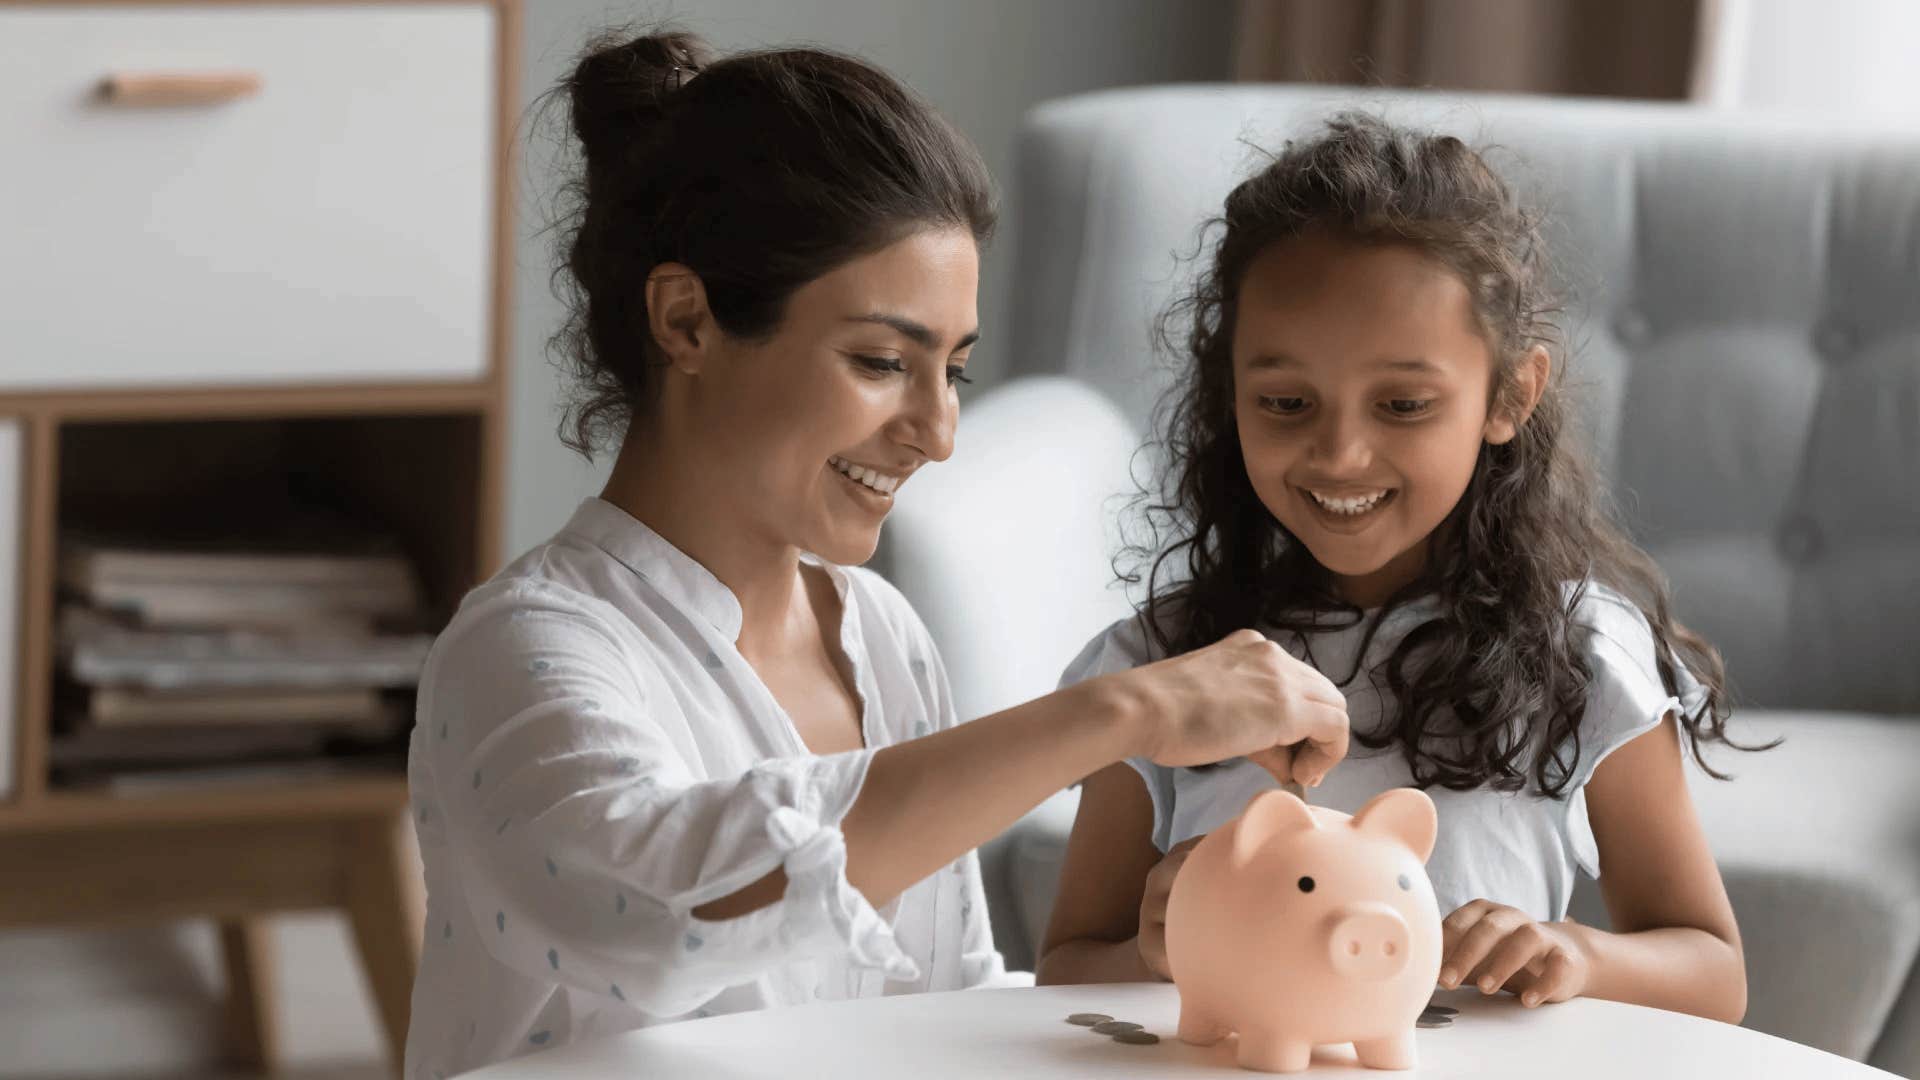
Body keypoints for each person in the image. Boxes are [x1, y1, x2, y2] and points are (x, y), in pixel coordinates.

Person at [403, 30, 1351, 1076]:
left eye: (954, 372)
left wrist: (1165, 955)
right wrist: (1131, 709)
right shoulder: (523, 648)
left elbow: (936, 1003)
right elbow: (659, 910)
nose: (938, 432)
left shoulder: (879, 634)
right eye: (881, 361)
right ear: (686, 321)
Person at [1039, 114, 1764, 1024]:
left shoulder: (1582, 654)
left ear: (1510, 396)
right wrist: (1157, 950)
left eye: (1404, 404)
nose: (1340, 453)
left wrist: (1573, 952)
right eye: (1287, 401)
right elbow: (1065, 967)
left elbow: (1712, 971)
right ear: (1231, 392)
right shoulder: (1163, 667)